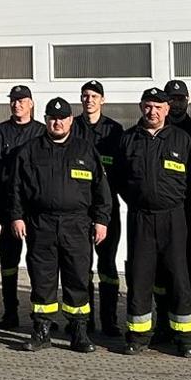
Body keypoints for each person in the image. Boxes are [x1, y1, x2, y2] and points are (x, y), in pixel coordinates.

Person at [9, 97, 110, 353]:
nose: (57, 122)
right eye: (52, 118)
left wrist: (101, 220)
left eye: (62, 118)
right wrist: (17, 216)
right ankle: (41, 331)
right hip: (40, 224)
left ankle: (79, 333)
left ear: (70, 121)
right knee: (42, 279)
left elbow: (101, 190)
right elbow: (16, 189)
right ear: (45, 120)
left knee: (77, 278)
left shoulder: (84, 150)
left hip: (76, 225)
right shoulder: (30, 150)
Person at [110, 87, 191, 357]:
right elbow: (118, 179)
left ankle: (185, 338)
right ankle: (138, 336)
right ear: (141, 107)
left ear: (167, 109)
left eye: (158, 107)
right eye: (148, 106)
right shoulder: (128, 140)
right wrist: (139, 200)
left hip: (174, 216)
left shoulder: (181, 139)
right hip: (141, 217)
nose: (153, 111)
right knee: (140, 276)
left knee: (178, 276)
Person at [0, 85, 44, 329]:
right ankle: (10, 312)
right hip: (6, 210)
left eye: (22, 101)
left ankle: (41, 316)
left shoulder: (41, 132)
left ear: (31, 103)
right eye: (13, 100)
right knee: (8, 266)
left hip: (35, 212)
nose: (17, 105)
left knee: (38, 266)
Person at [74, 80, 125, 335]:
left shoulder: (114, 130)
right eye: (85, 95)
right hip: (80, 209)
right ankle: (85, 320)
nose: (89, 100)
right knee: (82, 266)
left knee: (107, 266)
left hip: (108, 208)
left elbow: (124, 170)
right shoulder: (72, 127)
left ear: (102, 100)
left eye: (94, 95)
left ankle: (109, 320)